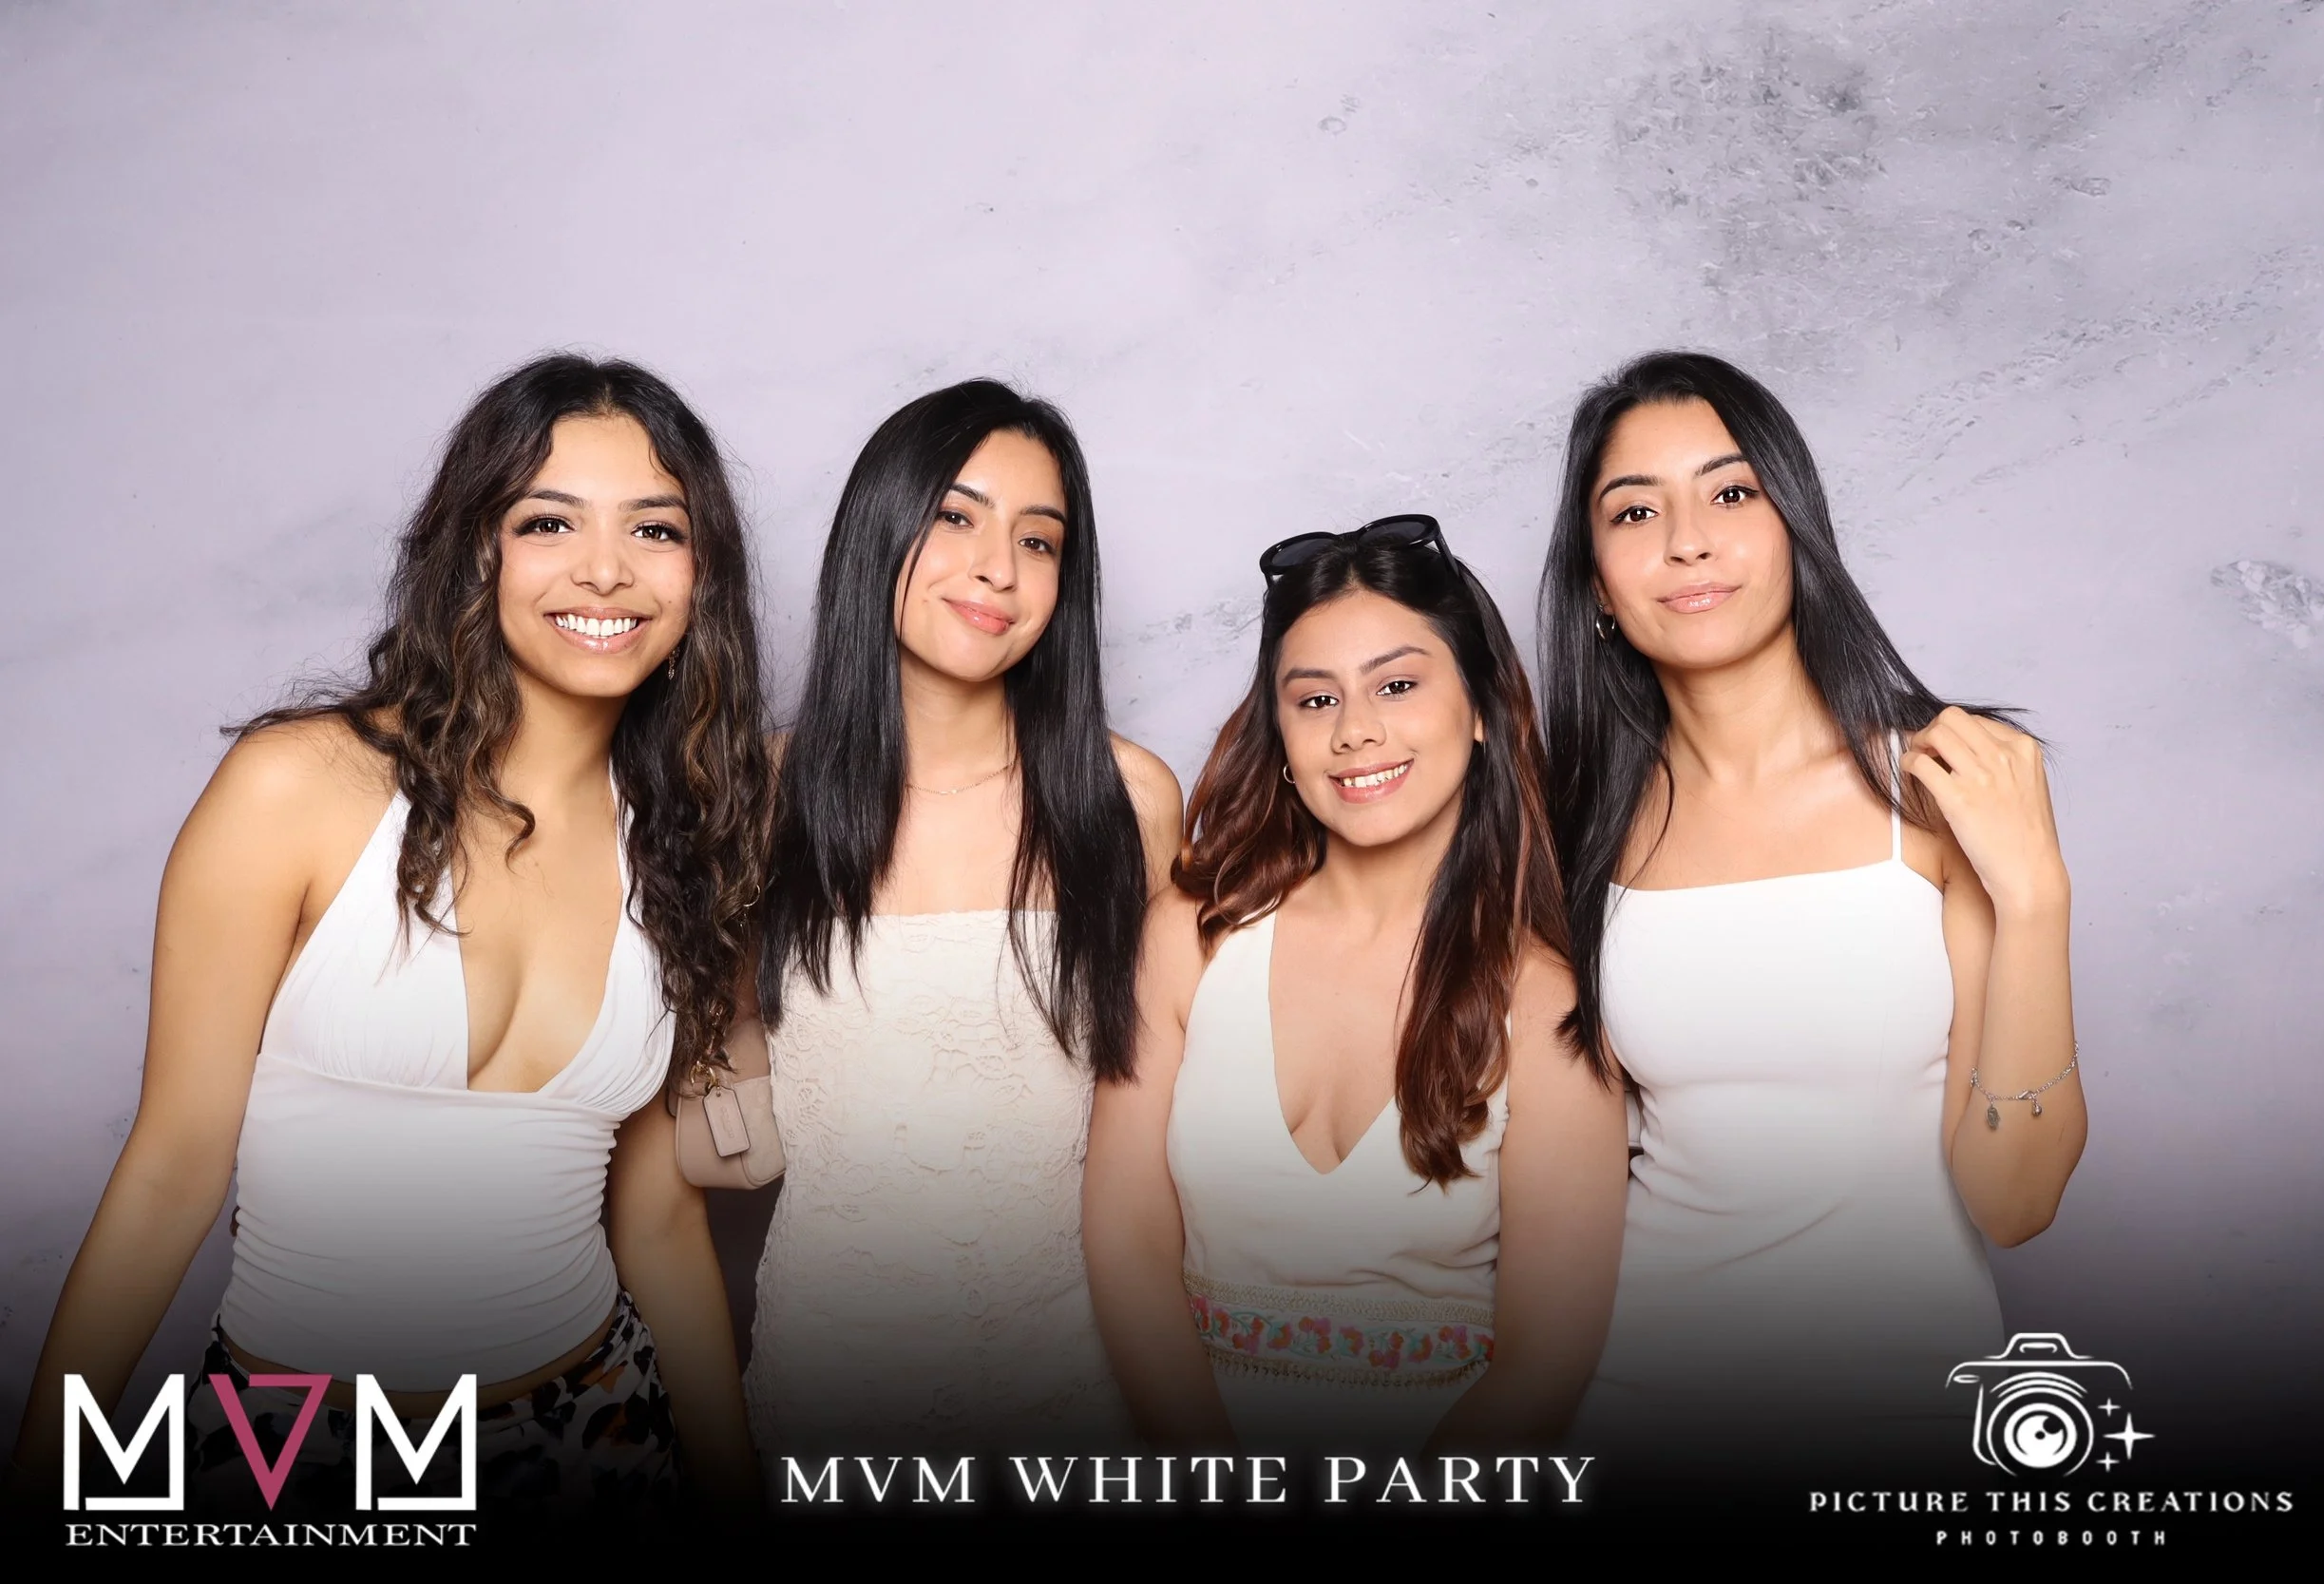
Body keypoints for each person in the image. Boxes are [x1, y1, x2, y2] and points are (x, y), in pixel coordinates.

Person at [6, 355, 771, 1522]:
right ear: (478, 547)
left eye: (655, 528)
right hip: (296, 1449)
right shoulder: (297, 788)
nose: (605, 569)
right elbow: (169, 1170)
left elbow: (659, 1214)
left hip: (601, 1430)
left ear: (699, 569)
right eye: (549, 519)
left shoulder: (692, 837)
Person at [1536, 351, 2085, 1488]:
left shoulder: (1942, 778)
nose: (1686, 539)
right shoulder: (1572, 825)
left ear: (1797, 526)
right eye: (1634, 511)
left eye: (1730, 493)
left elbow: (2014, 1200)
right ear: (1596, 583)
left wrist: (2033, 894)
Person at [1083, 516, 1629, 1460]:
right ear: (1281, 731)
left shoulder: (1545, 1000)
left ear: (1482, 707)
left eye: (1398, 683)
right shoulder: (1193, 933)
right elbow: (1124, 1241)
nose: (1355, 730)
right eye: (1314, 699)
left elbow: (1546, 1357)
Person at [742, 379, 1180, 1457]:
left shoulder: (1129, 800)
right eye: (955, 515)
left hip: (1075, 1395)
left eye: (1040, 540)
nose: (998, 567)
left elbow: (1181, 1118)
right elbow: (693, 1114)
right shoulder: (761, 796)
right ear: (877, 526)